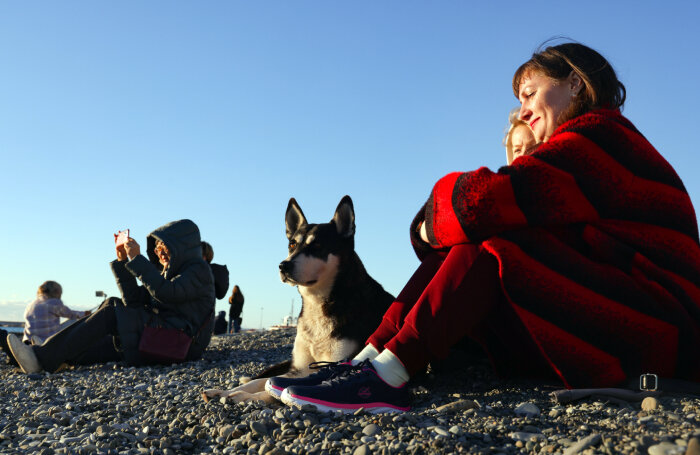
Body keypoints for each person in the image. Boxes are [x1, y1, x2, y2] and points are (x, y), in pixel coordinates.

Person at [276, 42, 700, 413]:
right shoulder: (599, 143)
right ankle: (368, 362)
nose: (523, 110)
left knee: (496, 235)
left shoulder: (599, 140)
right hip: (639, 320)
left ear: (575, 82)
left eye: (530, 93)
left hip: (658, 331)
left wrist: (427, 222)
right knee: (486, 233)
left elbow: (479, 203)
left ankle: (387, 376)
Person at [6, 219, 216, 374]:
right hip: (165, 336)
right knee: (110, 312)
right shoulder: (167, 274)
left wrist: (137, 259)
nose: (160, 252)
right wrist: (123, 262)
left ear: (182, 247)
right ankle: (42, 353)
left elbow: (166, 293)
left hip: (182, 343)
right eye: (158, 247)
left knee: (111, 312)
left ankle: (40, 358)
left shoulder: (198, 270)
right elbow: (133, 301)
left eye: (165, 246)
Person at [23, 281, 91, 345]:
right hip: (46, 342)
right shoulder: (54, 302)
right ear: (56, 292)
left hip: (28, 341)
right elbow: (69, 314)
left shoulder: (30, 305)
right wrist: (85, 314)